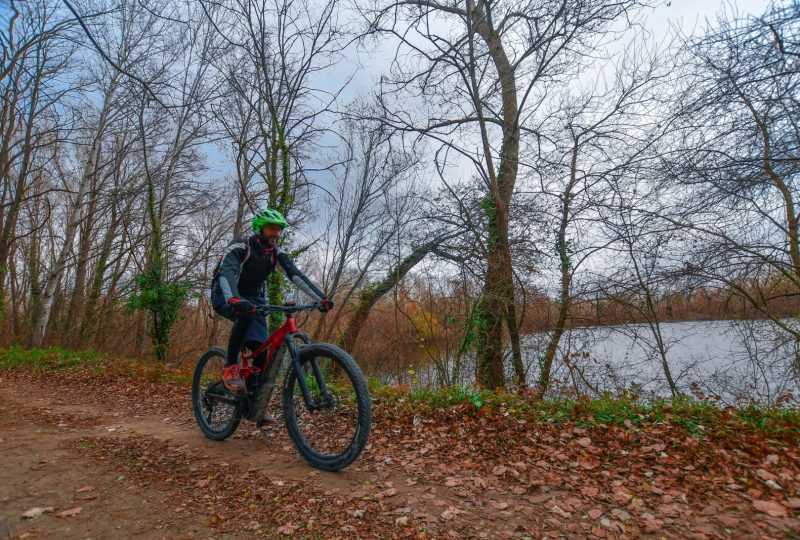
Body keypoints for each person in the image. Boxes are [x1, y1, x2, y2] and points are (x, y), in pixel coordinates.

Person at [210, 208, 333, 392]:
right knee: (244, 316)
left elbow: (295, 275)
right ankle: (230, 368)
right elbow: (226, 272)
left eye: (279, 229)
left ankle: (254, 400)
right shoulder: (241, 246)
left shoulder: (277, 253)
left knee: (261, 348)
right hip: (225, 293)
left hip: (254, 298)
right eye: (271, 229)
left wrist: (321, 298)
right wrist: (234, 299)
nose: (276, 234)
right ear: (259, 229)